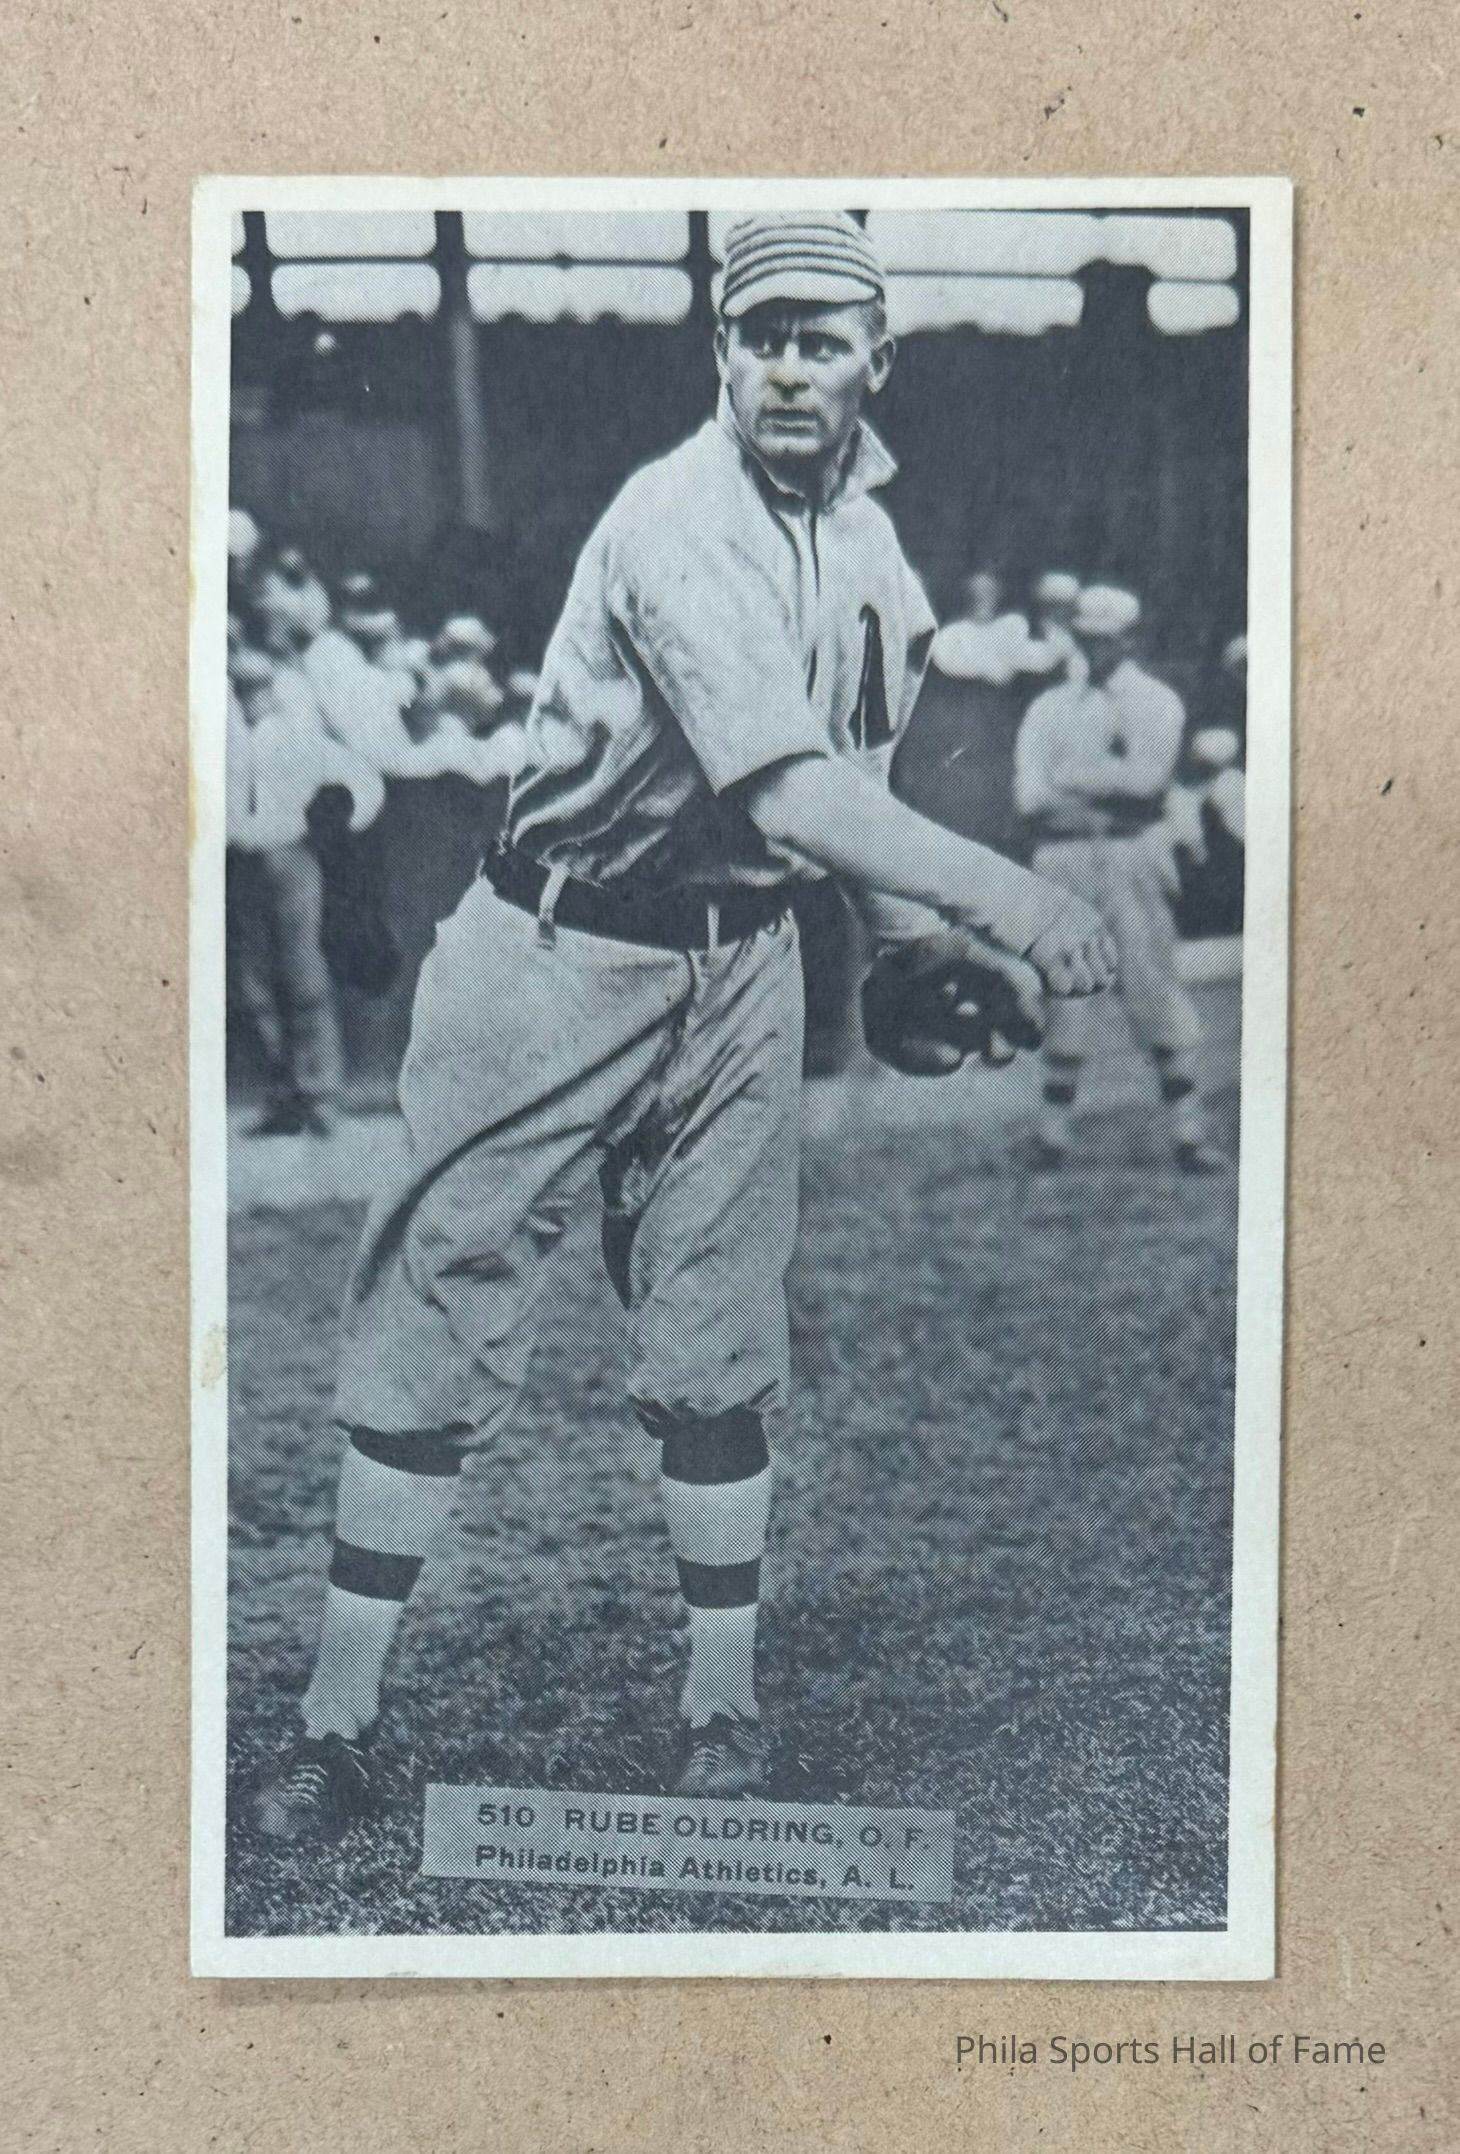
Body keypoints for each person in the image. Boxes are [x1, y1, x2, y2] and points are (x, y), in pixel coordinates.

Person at [255, 210, 1114, 1839]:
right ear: (721, 351)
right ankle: (336, 1717)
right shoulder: (675, 518)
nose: (789, 367)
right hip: (552, 944)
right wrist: (1011, 897)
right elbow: (787, 788)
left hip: (742, 965)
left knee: (720, 1340)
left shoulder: (873, 550)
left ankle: (721, 1705)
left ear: (877, 360)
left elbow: (852, 773)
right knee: (436, 1315)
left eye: (821, 338)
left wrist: (905, 941)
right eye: (761, 334)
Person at [1013, 585, 1226, 1174]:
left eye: (1107, 639)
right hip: (1062, 858)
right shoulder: (1050, 707)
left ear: (1131, 639)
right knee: (1064, 986)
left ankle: (1188, 1133)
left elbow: (1146, 783)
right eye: (1086, 637)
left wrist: (1070, 780)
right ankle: (1052, 1136)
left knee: (1151, 980)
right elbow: (1029, 796)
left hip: (1132, 854)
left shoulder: (1156, 702)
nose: (1094, 648)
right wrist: (1104, 784)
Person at [226, 627, 385, 1136]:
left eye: (258, 687)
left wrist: (329, 826)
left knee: (302, 972)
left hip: (291, 857)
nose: (252, 698)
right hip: (243, 862)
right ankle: (285, 1095)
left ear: (272, 688)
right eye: (243, 688)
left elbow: (364, 783)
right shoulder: (227, 737)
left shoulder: (297, 736)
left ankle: (319, 1094)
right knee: (255, 980)